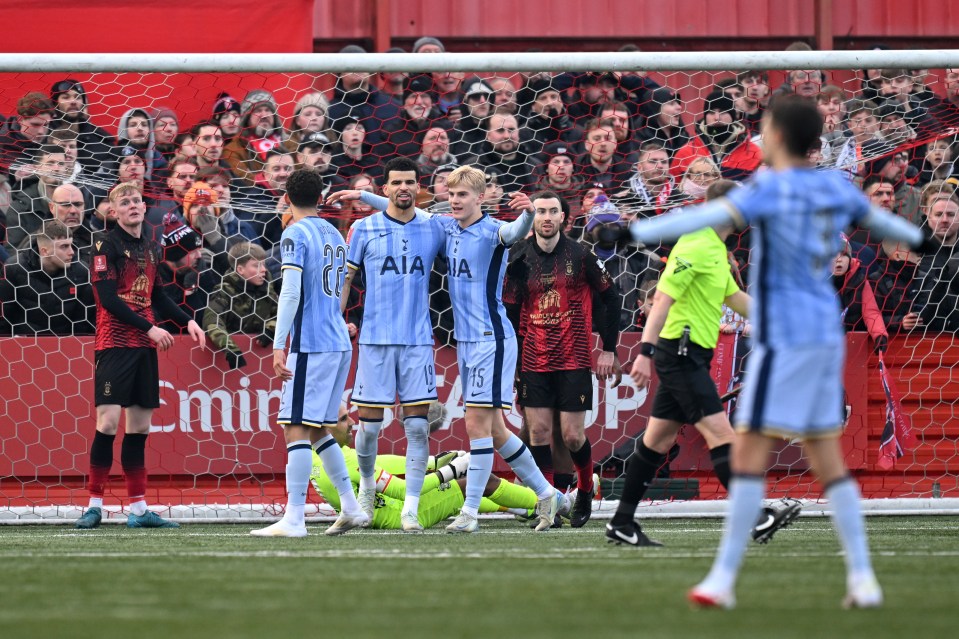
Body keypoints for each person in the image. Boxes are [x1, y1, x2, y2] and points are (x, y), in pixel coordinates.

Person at [624, 97, 929, 609]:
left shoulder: (767, 187)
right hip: (824, 333)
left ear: (780, 137)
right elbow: (894, 229)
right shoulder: (836, 185)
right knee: (828, 459)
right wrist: (921, 236)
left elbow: (696, 219)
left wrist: (626, 229)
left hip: (781, 335)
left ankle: (722, 579)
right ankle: (862, 578)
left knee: (747, 455)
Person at [336, 165, 565, 533]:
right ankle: (546, 493)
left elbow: (516, 231)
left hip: (492, 340)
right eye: (451, 194)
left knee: (477, 424)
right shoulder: (445, 227)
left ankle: (471, 512)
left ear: (481, 197)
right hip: (467, 341)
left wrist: (528, 213)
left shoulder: (495, 233)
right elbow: (403, 207)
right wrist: (363, 196)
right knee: (497, 430)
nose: (455, 201)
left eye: (462, 195)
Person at [74, 183, 206, 530]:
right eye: (125, 202)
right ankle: (94, 505)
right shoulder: (105, 244)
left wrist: (188, 321)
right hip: (114, 343)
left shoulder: (151, 246)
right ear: (113, 211)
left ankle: (138, 509)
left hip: (145, 348)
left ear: (145, 209)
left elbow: (158, 295)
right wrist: (150, 329)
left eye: (137, 201)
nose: (133, 205)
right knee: (107, 423)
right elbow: (107, 299)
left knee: (140, 428)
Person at [324, 157, 446, 532]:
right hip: (375, 342)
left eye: (410, 182)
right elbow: (345, 280)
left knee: (417, 428)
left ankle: (410, 509)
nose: (403, 188)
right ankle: (363, 495)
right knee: (371, 428)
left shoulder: (433, 228)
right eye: (396, 183)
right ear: (386, 187)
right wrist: (333, 320)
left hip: (416, 343)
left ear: (418, 186)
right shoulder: (363, 229)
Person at [250, 169, 369, 538]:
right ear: (321, 197)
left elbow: (290, 291)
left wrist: (279, 344)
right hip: (337, 341)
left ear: (286, 196)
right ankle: (351, 507)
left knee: (295, 427)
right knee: (317, 429)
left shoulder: (294, 233)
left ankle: (295, 518)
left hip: (310, 344)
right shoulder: (333, 232)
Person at [502, 190, 623, 527]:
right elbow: (510, 313)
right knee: (538, 433)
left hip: (574, 358)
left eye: (553, 211)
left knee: (571, 436)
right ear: (532, 218)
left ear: (563, 218)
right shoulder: (518, 258)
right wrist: (511, 364)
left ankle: (584, 491)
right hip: (533, 360)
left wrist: (608, 349)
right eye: (539, 211)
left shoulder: (581, 256)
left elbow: (612, 299)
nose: (546, 217)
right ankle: (550, 502)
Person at [309, 407, 555, 530]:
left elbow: (379, 462)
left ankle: (528, 509)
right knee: (476, 482)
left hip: (390, 513)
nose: (352, 422)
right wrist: (450, 470)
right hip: (404, 515)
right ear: (326, 427)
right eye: (343, 419)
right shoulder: (344, 460)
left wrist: (433, 463)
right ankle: (551, 502)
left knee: (467, 488)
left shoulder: (320, 456)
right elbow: (405, 491)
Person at [0, 219, 94, 335]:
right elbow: (4, 318)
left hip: (66, 346)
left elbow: (83, 324)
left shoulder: (81, 272)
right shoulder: (14, 269)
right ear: (44, 251)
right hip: (23, 347)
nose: (72, 252)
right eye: (64, 246)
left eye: (71, 245)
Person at [202, 242, 278, 369]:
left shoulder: (268, 290)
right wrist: (230, 348)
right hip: (228, 360)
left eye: (263, 264)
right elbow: (211, 321)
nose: (264, 270)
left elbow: (282, 314)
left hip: (261, 361)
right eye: (256, 265)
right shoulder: (224, 292)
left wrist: (270, 330)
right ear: (240, 269)